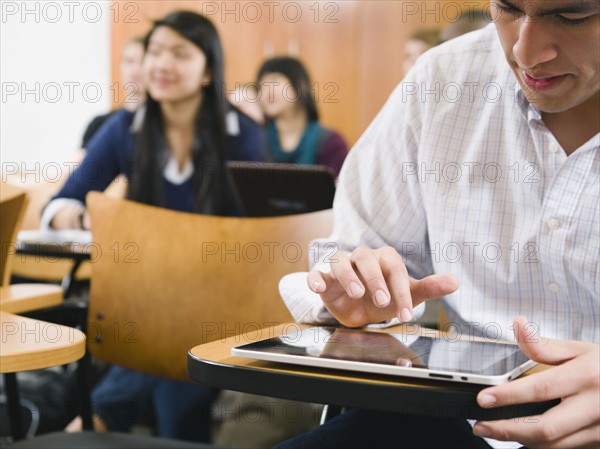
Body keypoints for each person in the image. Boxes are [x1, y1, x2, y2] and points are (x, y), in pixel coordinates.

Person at [276, 1, 599, 448]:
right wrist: (358, 296)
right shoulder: (441, 83)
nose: (525, 52)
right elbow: (352, 260)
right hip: (458, 421)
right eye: (506, 8)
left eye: (572, 16)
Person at [52, 11, 264, 441]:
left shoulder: (241, 133)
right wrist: (72, 214)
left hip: (225, 299)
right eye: (155, 52)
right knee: (169, 348)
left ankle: (95, 421)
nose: (161, 64)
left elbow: (258, 236)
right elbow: (64, 199)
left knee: (176, 337)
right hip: (145, 296)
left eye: (180, 54)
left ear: (208, 70)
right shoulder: (126, 128)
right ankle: (121, 425)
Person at [256, 56, 348, 177]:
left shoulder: (331, 143)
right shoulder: (256, 139)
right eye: (261, 86)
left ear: (300, 86)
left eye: (273, 82)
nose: (266, 91)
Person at [81, 36, 147, 149]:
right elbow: (80, 163)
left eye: (142, 61)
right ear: (121, 66)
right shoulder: (99, 125)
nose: (136, 68)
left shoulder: (162, 124)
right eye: (129, 61)